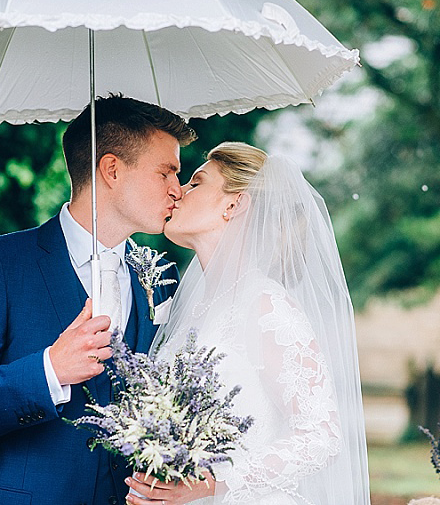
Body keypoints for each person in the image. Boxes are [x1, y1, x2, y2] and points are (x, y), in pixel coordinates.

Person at [0, 94, 201, 505]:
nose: (178, 191)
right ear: (111, 169)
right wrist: (48, 370)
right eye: (166, 173)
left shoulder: (160, 279)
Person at [125, 143, 371, 504]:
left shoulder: (265, 306)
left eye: (196, 182)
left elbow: (322, 435)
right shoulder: (189, 310)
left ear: (233, 204)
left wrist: (215, 484)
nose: (178, 191)